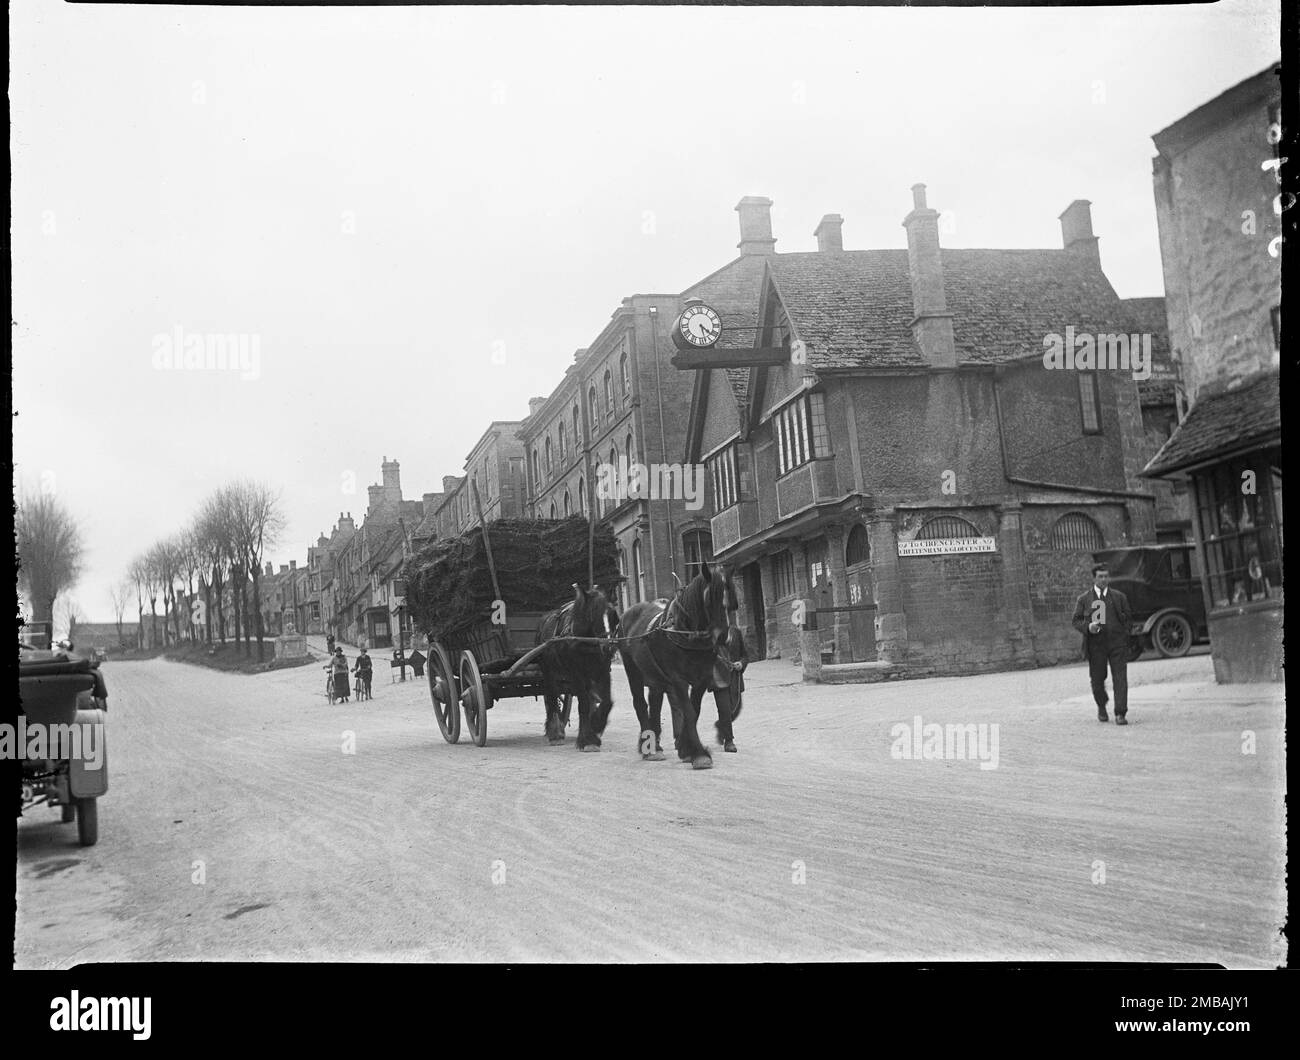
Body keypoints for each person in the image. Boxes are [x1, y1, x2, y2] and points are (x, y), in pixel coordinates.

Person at [1071, 563, 1133, 725]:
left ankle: (1120, 713)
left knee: (1120, 678)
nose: (1104, 579)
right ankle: (1101, 706)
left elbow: (1128, 618)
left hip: (1117, 644)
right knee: (1097, 680)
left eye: (1106, 576)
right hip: (1096, 645)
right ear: (1094, 578)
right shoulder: (1084, 599)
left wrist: (1124, 635)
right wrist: (1088, 627)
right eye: (1100, 576)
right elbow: (1076, 620)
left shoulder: (1119, 597)